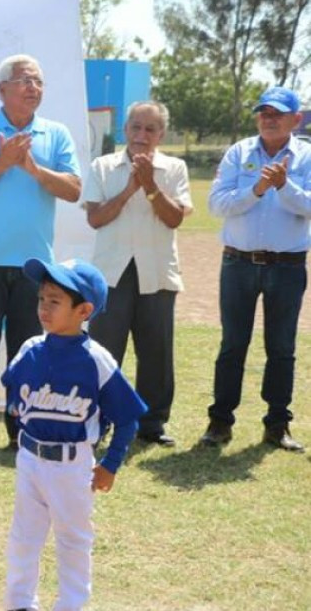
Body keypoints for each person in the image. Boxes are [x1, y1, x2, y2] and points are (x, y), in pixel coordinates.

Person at [0, 258, 146, 611]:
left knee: (74, 541)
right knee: (24, 537)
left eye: (54, 301)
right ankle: (20, 609)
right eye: (42, 298)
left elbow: (128, 416)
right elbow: (13, 389)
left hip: (72, 463)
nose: (43, 308)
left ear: (84, 311)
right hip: (30, 458)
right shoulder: (30, 348)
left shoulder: (96, 360)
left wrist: (111, 463)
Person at [0, 54, 80, 455]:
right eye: (25, 80)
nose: (33, 88)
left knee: (29, 347)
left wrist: (32, 169)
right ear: (2, 89)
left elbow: (74, 190)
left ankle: (21, 428)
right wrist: (3, 162)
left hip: (33, 263)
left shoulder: (55, 133)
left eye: (39, 81)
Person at [201, 86, 311, 452]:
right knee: (233, 344)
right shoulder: (239, 153)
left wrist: (285, 186)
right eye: (263, 111)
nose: (269, 117)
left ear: (297, 119)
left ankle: (277, 425)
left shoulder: (307, 157)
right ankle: (219, 423)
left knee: (281, 347)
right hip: (238, 263)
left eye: (278, 112)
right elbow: (217, 204)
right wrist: (258, 190)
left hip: (287, 267)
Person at [82, 101, 191, 447]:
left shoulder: (174, 168)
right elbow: (96, 218)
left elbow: (174, 218)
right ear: (125, 131)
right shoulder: (103, 166)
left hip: (156, 272)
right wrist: (130, 187)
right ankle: (99, 421)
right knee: (104, 351)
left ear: (161, 134)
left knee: (156, 351)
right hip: (111, 275)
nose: (142, 136)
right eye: (136, 128)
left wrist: (151, 186)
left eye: (150, 129)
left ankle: (152, 424)